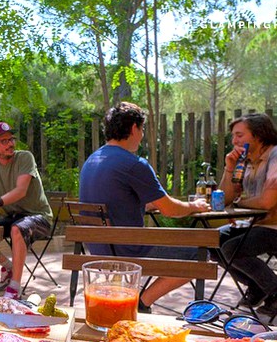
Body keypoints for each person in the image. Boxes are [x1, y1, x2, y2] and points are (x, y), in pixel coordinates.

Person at [79, 102, 211, 313]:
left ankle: (137, 301)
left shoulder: (92, 161)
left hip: (98, 247)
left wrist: (144, 202)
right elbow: (169, 209)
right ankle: (141, 302)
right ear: (133, 128)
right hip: (128, 249)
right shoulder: (134, 164)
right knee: (198, 255)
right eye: (141, 130)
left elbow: (116, 198)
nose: (141, 137)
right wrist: (194, 206)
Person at [216, 113, 277, 317]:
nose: (234, 141)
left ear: (258, 135)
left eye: (240, 135)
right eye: (233, 136)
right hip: (262, 226)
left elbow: (267, 202)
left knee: (234, 248)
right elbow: (223, 199)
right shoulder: (247, 163)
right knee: (211, 240)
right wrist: (229, 168)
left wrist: (238, 202)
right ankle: (258, 287)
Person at [0, 122, 53, 299]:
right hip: (13, 217)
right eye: (4, 141)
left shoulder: (25, 157)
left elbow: (21, 191)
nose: (10, 144)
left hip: (39, 217)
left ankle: (14, 288)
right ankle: (8, 266)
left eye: (11, 139)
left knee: (17, 229)